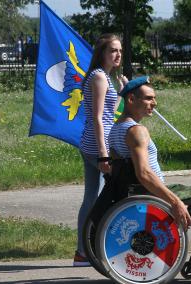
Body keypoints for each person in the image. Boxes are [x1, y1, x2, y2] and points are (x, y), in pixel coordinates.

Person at [107, 76, 191, 275]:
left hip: (132, 191)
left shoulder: (116, 128)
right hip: (149, 192)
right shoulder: (137, 131)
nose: (154, 103)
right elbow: (144, 173)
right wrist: (175, 201)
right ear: (131, 100)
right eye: (148, 98)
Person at [75, 33, 127, 266]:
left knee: (94, 196)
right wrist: (104, 154)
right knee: (106, 195)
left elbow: (109, 112)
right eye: (112, 50)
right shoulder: (98, 77)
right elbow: (97, 118)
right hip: (95, 145)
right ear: (102, 53)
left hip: (95, 143)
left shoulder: (105, 77)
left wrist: (123, 92)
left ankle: (86, 250)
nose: (117, 55)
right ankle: (90, 249)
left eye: (119, 51)